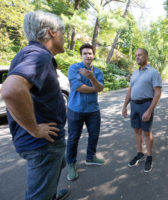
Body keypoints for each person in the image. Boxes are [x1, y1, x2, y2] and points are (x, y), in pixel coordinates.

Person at [1, 11, 70, 199]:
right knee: (39, 195)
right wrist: (35, 129)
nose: (64, 38)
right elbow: (11, 90)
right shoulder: (40, 56)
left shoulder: (26, 53)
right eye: (63, 33)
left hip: (44, 143)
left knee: (54, 170)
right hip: (42, 144)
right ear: (52, 32)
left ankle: (52, 194)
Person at [66, 43, 105, 181]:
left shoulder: (98, 72)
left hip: (93, 110)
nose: (88, 56)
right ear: (81, 55)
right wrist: (96, 87)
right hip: (76, 109)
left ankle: (90, 157)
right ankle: (71, 164)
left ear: (93, 55)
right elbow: (78, 87)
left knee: (94, 135)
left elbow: (100, 86)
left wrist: (92, 78)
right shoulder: (74, 68)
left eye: (90, 53)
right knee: (73, 138)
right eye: (85, 53)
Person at [122, 48, 162, 173]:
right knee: (136, 131)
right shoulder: (134, 73)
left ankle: (149, 156)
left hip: (146, 105)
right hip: (134, 105)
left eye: (140, 55)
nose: (137, 57)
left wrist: (149, 110)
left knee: (146, 132)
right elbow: (130, 90)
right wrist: (124, 106)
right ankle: (140, 153)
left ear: (146, 56)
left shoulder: (153, 72)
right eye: (136, 55)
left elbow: (157, 93)